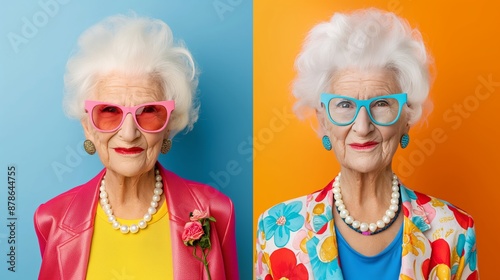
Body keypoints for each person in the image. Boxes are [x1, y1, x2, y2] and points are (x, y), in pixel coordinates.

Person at [255, 8, 478, 280]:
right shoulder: (277, 232)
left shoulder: (454, 230)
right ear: (323, 120)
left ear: (406, 117)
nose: (362, 127)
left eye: (381, 104)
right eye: (345, 105)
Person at [34, 14, 239, 280]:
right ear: (87, 125)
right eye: (109, 111)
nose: (129, 133)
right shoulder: (51, 219)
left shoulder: (216, 212)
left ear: (169, 124)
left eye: (148, 112)